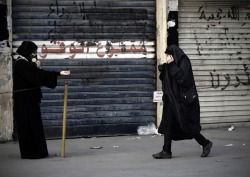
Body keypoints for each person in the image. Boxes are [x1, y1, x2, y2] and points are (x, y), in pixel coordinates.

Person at [153, 44, 213, 159]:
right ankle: (166, 151)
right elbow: (166, 79)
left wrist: (171, 65)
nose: (168, 57)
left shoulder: (184, 62)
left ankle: (205, 143)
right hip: (171, 100)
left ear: (175, 55)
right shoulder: (172, 64)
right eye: (167, 55)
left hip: (183, 102)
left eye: (169, 55)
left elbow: (183, 79)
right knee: (168, 124)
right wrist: (165, 68)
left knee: (187, 125)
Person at [13, 41, 70, 159]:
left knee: (34, 125)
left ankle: (38, 151)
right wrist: (36, 67)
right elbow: (37, 77)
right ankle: (31, 153)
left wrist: (58, 73)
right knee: (28, 126)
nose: (34, 55)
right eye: (33, 52)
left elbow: (39, 73)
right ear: (27, 52)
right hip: (24, 102)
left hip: (30, 100)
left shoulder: (26, 63)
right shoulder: (21, 64)